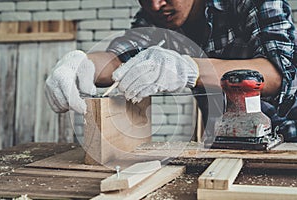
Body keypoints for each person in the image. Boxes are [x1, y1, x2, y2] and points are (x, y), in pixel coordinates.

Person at [45, 0, 297, 142]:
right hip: (228, 143)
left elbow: (276, 74)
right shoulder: (155, 18)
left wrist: (190, 68)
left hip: (289, 140)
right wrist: (82, 63)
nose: (156, 5)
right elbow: (117, 59)